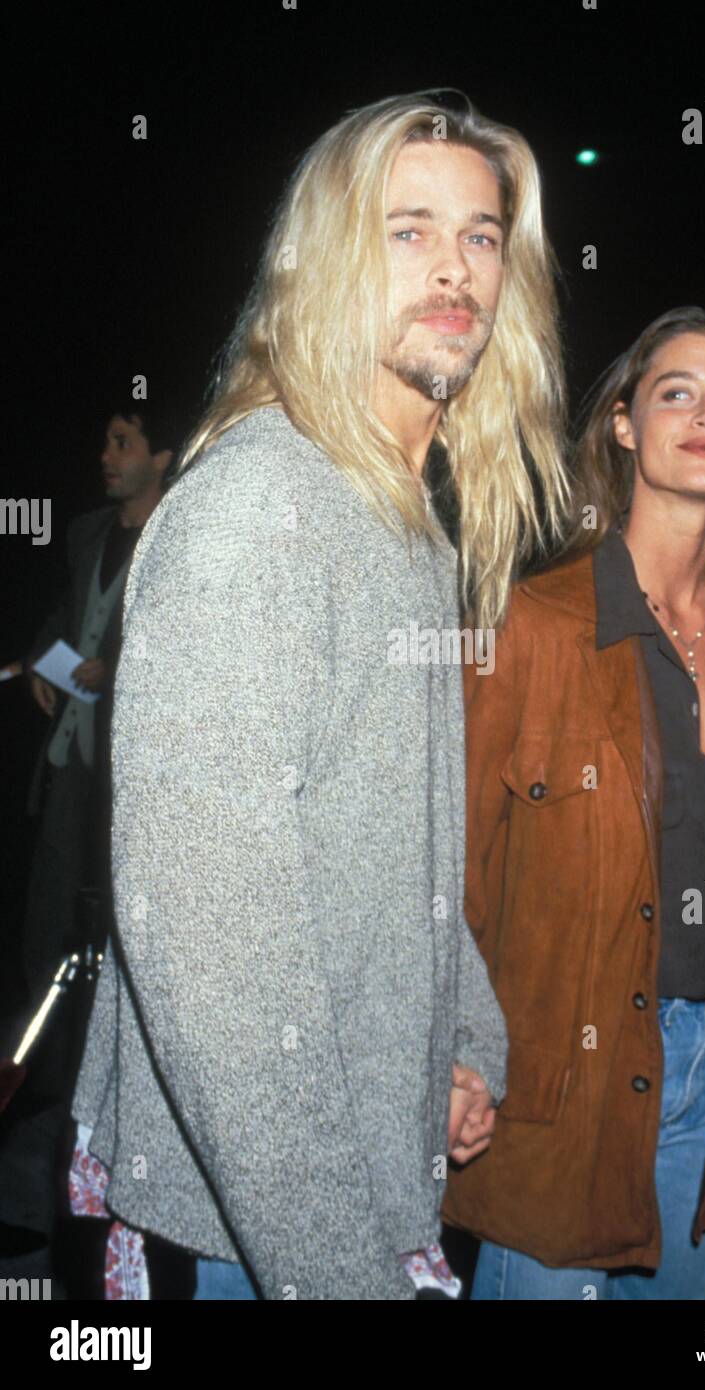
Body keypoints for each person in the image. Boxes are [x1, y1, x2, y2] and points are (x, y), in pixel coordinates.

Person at [70, 90, 572, 1300]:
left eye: (481, 234)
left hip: (352, 1173)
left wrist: (455, 1038)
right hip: (254, 1219)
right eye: (406, 230)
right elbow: (210, 952)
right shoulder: (261, 508)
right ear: (324, 260)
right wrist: (342, 1274)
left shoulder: (405, 523)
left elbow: (389, 848)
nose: (454, 268)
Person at [442, 306, 705, 1299]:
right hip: (565, 1080)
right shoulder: (530, 625)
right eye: (677, 391)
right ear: (622, 424)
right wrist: (446, 1059)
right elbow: (450, 875)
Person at [0, 409, 173, 1247]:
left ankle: (101, 1203)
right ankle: (29, 1196)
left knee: (115, 999)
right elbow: (69, 616)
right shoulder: (83, 534)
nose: (106, 457)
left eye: (124, 443)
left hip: (131, 805)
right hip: (68, 782)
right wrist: (45, 657)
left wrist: (127, 662)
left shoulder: (182, 537)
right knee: (43, 979)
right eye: (103, 440)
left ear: (162, 455)